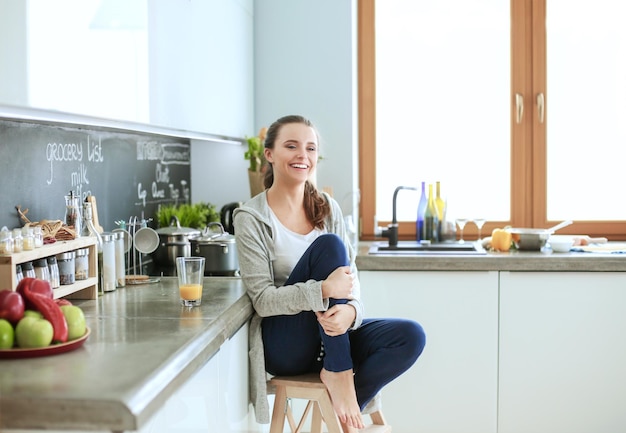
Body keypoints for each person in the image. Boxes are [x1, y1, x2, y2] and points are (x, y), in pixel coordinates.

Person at [233, 115, 425, 432]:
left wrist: (351, 311)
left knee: (411, 336)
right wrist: (322, 289)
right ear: (269, 154)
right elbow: (264, 301)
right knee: (329, 246)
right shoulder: (251, 216)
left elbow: (351, 283)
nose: (302, 156)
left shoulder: (327, 207)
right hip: (286, 345)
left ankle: (342, 409)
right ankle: (339, 371)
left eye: (310, 148)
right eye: (291, 146)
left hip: (329, 336)